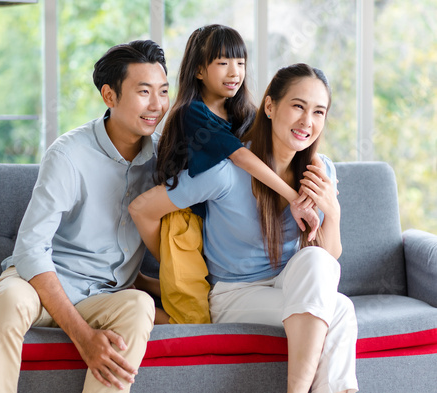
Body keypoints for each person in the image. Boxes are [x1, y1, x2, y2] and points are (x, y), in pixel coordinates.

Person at [129, 63, 358, 393]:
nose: (308, 122)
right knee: (341, 311)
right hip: (234, 293)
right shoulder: (225, 173)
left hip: (292, 283)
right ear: (270, 106)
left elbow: (329, 258)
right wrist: (171, 268)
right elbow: (142, 209)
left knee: (319, 263)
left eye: (318, 112)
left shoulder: (322, 172)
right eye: (298, 106)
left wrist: (331, 213)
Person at [0, 40, 170, 393]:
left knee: (139, 304)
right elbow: (31, 249)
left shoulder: (162, 160)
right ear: (109, 96)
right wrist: (83, 337)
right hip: (42, 283)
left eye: (163, 91)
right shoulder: (68, 154)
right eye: (144, 92)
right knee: (9, 301)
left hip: (105, 296)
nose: (156, 105)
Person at [154, 25, 320, 324]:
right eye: (223, 63)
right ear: (199, 70)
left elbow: (288, 140)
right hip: (184, 214)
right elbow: (242, 156)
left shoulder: (241, 110)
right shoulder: (192, 112)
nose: (234, 72)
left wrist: (315, 167)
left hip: (218, 217)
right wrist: (293, 196)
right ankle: (152, 287)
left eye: (240, 63)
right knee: (192, 313)